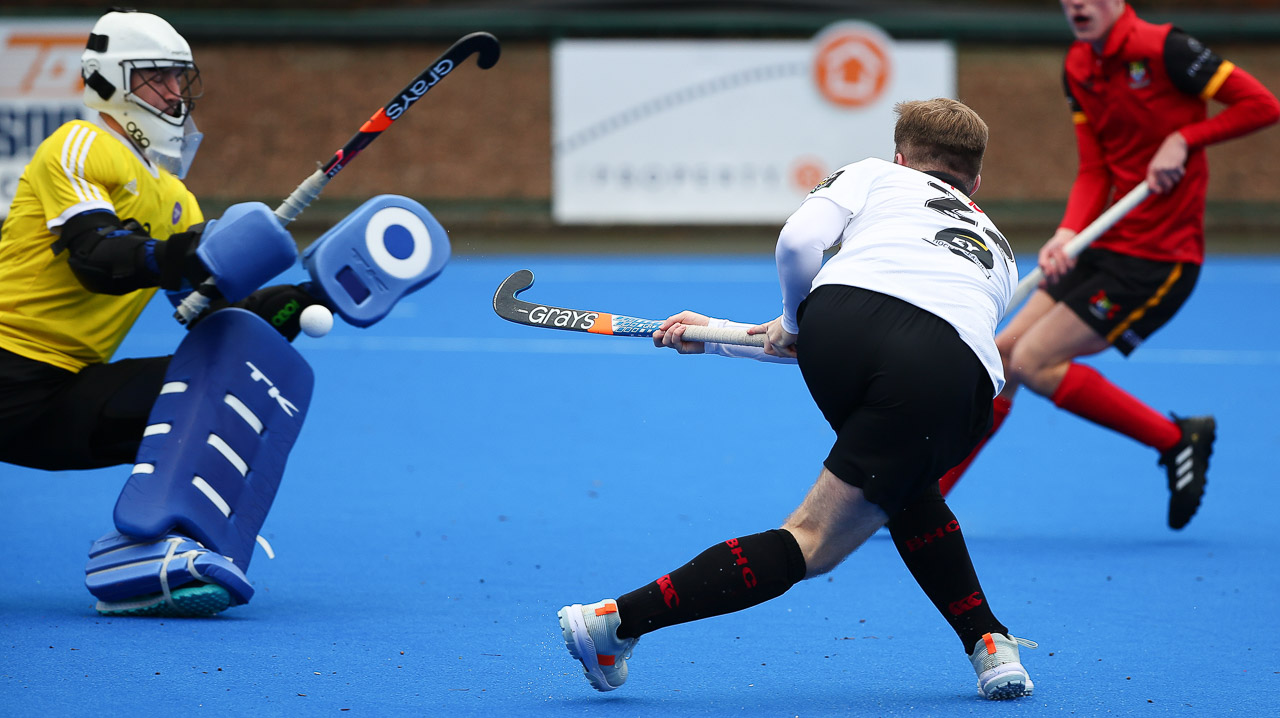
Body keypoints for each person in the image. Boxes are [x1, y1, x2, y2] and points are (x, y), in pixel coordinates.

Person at [557, 99, 1038, 702]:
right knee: (813, 540)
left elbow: (804, 255)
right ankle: (611, 623)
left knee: (906, 486)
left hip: (840, 323)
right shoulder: (998, 246)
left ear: (902, 156)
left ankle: (987, 641)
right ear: (977, 180)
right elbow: (909, 338)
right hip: (947, 374)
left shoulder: (873, 175)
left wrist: (726, 336)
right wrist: (784, 322)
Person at [0, 9, 322, 617]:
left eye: (179, 77)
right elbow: (96, 255)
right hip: (5, 363)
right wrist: (189, 254)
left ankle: (146, 557)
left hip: (61, 391)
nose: (174, 92)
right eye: (155, 77)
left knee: (232, 381)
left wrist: (305, 300)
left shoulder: (175, 197)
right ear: (106, 82)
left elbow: (210, 317)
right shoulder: (81, 144)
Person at [935, 0, 1280, 530]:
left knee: (1034, 362)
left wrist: (1186, 139)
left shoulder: (1169, 50)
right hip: (1102, 244)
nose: (1078, 5)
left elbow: (1262, 105)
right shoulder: (1079, 65)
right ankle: (927, 500)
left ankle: (1176, 440)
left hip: (1158, 259)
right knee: (1001, 356)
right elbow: (1096, 167)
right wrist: (1069, 233)